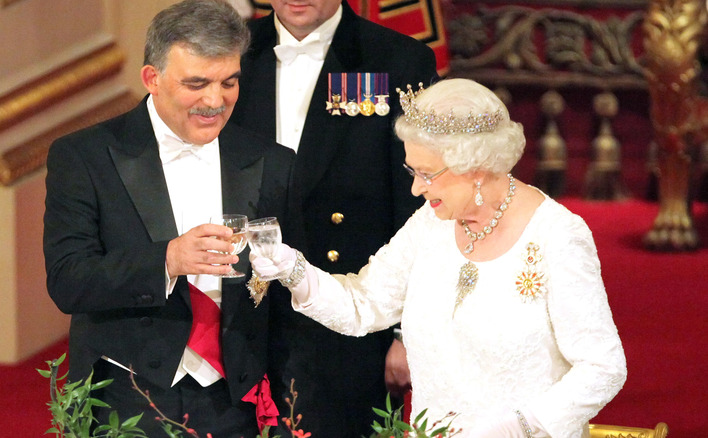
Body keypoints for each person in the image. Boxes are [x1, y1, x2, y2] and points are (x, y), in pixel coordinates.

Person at [251, 78, 627, 437]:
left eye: (427, 174)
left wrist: (519, 427)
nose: (416, 188)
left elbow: (603, 368)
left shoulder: (557, 236)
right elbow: (363, 305)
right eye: (412, 171)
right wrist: (292, 269)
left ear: (475, 168)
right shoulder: (431, 224)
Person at [43, 1, 293, 437]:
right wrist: (168, 259)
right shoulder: (84, 156)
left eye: (228, 82)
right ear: (151, 78)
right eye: (196, 83)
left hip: (237, 399)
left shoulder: (272, 163)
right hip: (126, 395)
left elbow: (286, 299)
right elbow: (68, 280)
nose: (215, 101)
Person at [229, 0, 438, 435]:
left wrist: (405, 332)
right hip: (241, 310)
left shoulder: (396, 58)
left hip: (349, 313)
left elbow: (418, 205)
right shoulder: (230, 49)